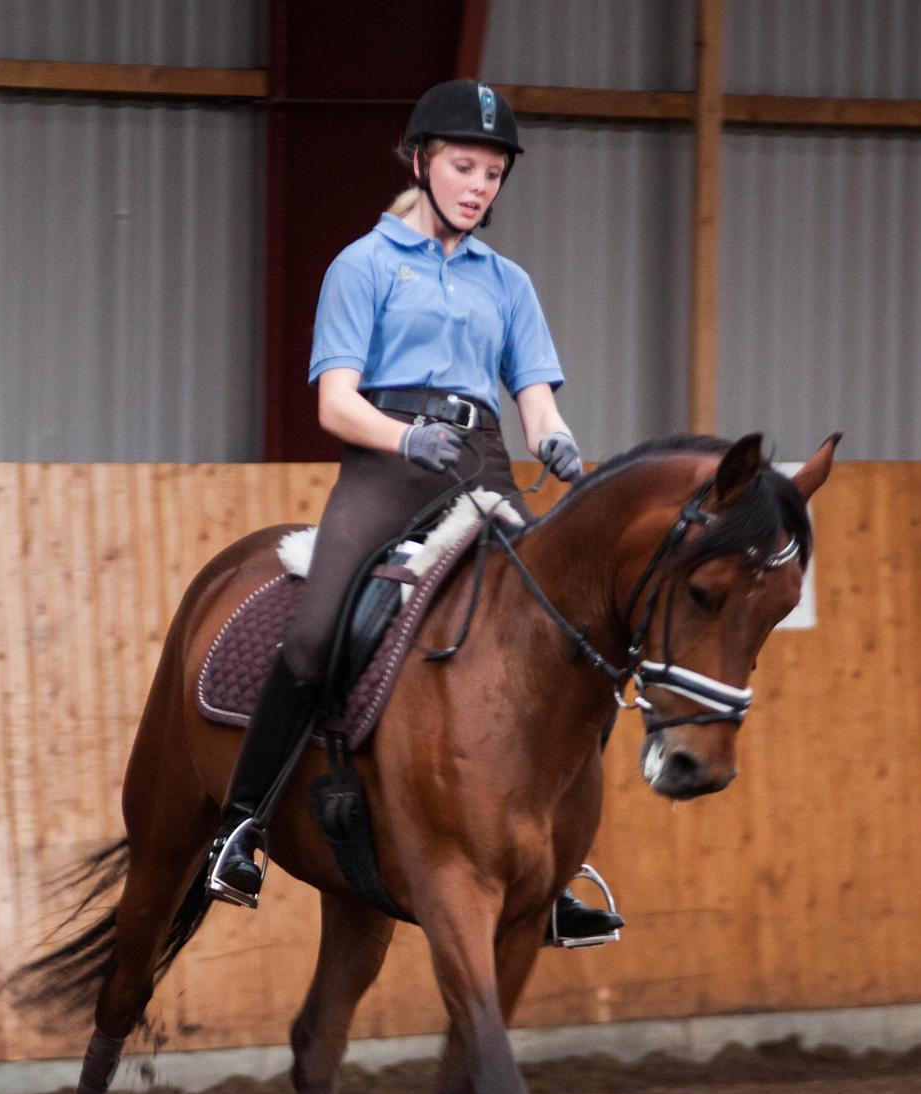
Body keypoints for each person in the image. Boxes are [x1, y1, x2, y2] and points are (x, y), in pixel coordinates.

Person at [207, 79, 622, 945]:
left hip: (482, 466)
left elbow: (535, 397)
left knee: (575, 637)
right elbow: (334, 403)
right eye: (465, 166)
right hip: (388, 468)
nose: (479, 185)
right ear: (423, 162)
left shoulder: (507, 282)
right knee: (315, 634)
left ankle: (556, 863)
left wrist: (555, 440)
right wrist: (404, 441)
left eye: (493, 172)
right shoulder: (363, 265)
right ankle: (242, 825)